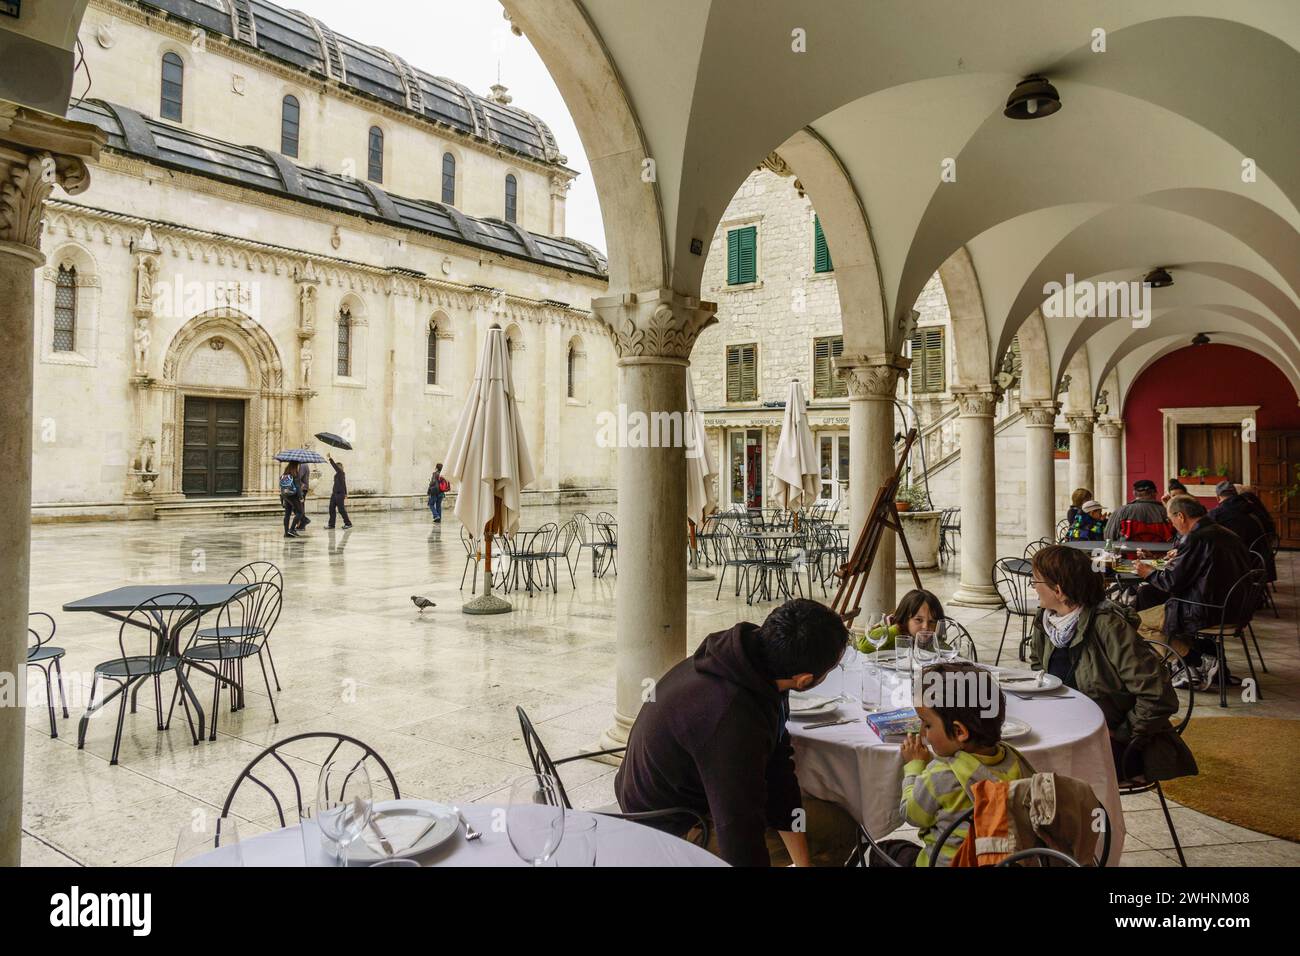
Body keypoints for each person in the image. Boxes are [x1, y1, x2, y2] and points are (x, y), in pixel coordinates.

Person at [614, 598, 848, 866]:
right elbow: (738, 830)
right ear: (804, 680)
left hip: (692, 800)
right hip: (667, 828)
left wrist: (803, 862)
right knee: (836, 837)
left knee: (839, 825)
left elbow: (778, 769)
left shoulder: (752, 664)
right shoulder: (731, 717)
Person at [1027, 546, 1193, 783]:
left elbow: (1158, 695)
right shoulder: (1047, 621)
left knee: (1039, 772)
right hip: (1068, 728)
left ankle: (1092, 818)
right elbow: (1038, 667)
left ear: (1059, 590)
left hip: (1117, 743)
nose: (1033, 586)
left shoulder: (1108, 626)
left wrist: (1123, 732)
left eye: (1036, 580)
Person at [880, 661, 1030, 867]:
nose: (922, 732)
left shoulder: (941, 774)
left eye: (927, 724)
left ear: (959, 731)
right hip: (998, 862)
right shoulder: (1013, 759)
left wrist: (915, 766)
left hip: (947, 864)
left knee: (885, 850)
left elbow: (911, 814)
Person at [1133, 496, 1253, 691]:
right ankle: (1198, 661)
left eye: (1170, 519)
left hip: (1206, 610)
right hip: (1236, 609)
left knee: (1136, 621)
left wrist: (1148, 572)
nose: (1170, 524)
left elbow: (1172, 582)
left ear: (1180, 516)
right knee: (1151, 598)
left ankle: (1192, 663)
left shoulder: (1197, 538)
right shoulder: (1225, 533)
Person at [1210, 481, 1275, 582]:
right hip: (1260, 561)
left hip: (1234, 567)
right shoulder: (1255, 507)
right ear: (1235, 494)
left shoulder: (1216, 514)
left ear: (1218, 498)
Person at [858, 588, 946, 653]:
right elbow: (863, 646)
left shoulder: (934, 643)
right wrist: (896, 628)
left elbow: (954, 658)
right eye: (918, 620)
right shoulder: (894, 634)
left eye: (932, 621)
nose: (926, 627)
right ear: (905, 619)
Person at [1104, 479, 1173, 542]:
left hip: (1127, 554)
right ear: (1154, 493)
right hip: (1162, 554)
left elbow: (1109, 536)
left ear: (1134, 493)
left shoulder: (1121, 511)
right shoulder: (1167, 512)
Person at [326, 454, 352, 530]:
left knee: (341, 510)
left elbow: (335, 467)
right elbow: (344, 484)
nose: (336, 468)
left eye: (338, 467)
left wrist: (330, 459)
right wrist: (346, 493)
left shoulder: (341, 473)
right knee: (331, 509)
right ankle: (331, 525)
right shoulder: (337, 474)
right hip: (334, 495)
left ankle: (348, 523)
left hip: (339, 495)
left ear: (340, 467)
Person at [278, 462, 301, 538]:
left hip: (286, 496)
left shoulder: (284, 475)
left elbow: (281, 487)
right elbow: (297, 487)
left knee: (287, 514)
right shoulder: (295, 474)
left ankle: (286, 532)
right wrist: (300, 497)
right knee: (300, 512)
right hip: (293, 495)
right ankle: (291, 529)